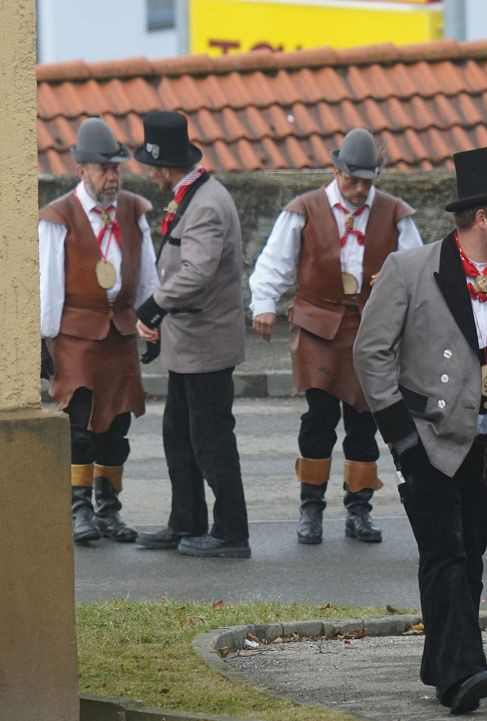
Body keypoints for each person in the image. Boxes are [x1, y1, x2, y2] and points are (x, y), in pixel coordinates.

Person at [354, 144, 487, 714]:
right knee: (446, 555)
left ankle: (440, 662)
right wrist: (403, 440)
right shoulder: (409, 269)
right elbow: (371, 354)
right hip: (428, 442)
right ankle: (466, 673)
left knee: (473, 550)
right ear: (481, 218)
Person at [249, 128, 422, 545]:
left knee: (364, 422)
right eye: (352, 179)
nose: (360, 188)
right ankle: (311, 508)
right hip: (317, 326)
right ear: (336, 170)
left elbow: (418, 272)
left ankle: (358, 509)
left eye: (368, 180)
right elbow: (274, 261)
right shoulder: (303, 209)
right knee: (319, 421)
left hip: (370, 329)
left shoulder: (396, 214)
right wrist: (264, 304)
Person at [132, 110, 251, 558]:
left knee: (211, 439)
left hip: (206, 343)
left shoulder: (205, 204)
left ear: (164, 167)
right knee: (178, 435)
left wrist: (154, 305)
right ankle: (186, 520)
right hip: (189, 341)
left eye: (151, 165)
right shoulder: (193, 195)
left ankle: (231, 533)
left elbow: (197, 272)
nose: (149, 173)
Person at [39, 118, 159, 544]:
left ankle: (109, 509)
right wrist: (44, 338)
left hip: (120, 333)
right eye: (103, 169)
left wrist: (150, 321)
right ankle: (79, 510)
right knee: (80, 426)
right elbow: (48, 283)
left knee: (117, 427)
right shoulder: (59, 217)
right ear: (81, 171)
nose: (112, 177)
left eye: (116, 169)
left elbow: (148, 275)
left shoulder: (134, 211)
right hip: (75, 335)